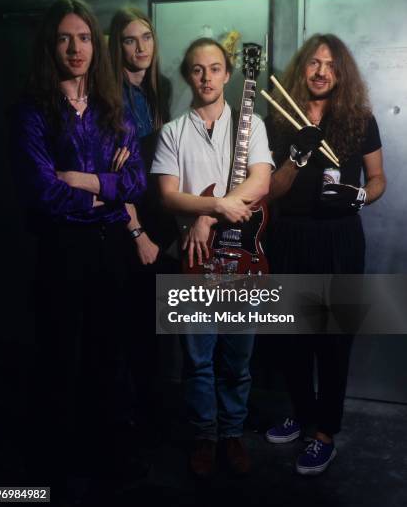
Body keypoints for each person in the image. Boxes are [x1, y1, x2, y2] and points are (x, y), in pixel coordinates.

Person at [10, 0, 147, 490]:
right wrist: (104, 193)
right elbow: (44, 193)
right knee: (59, 361)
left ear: (96, 44)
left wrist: (86, 182)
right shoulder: (32, 111)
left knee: (108, 358)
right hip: (60, 252)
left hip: (110, 250)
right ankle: (52, 475)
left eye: (85, 37)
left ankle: (106, 462)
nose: (76, 48)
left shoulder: (113, 108)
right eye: (65, 37)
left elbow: (135, 183)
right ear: (51, 44)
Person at [263, 34, 386, 475]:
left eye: (330, 65)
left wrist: (358, 198)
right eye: (313, 63)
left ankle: (325, 433)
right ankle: (301, 411)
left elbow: (378, 180)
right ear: (303, 69)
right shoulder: (278, 119)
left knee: (333, 341)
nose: (320, 72)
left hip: (340, 238)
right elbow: (269, 191)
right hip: (289, 236)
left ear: (341, 72)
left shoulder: (359, 119)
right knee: (291, 337)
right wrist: (296, 157)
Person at [151, 37, 273, 477]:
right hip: (193, 260)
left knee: (238, 362)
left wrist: (209, 217)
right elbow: (167, 197)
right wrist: (214, 208)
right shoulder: (172, 133)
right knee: (198, 361)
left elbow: (259, 182)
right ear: (188, 75)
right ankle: (204, 436)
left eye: (215, 68)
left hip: (242, 261)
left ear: (228, 73)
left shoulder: (253, 125)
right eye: (198, 69)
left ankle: (232, 433)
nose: (206, 77)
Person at [108, 7, 179, 437]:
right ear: (116, 47)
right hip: (127, 220)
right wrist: (136, 232)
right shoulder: (107, 96)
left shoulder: (160, 90)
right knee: (127, 323)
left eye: (147, 38)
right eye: (131, 40)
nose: (141, 48)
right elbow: (113, 178)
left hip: (160, 215)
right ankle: (127, 420)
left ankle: (151, 411)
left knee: (154, 325)